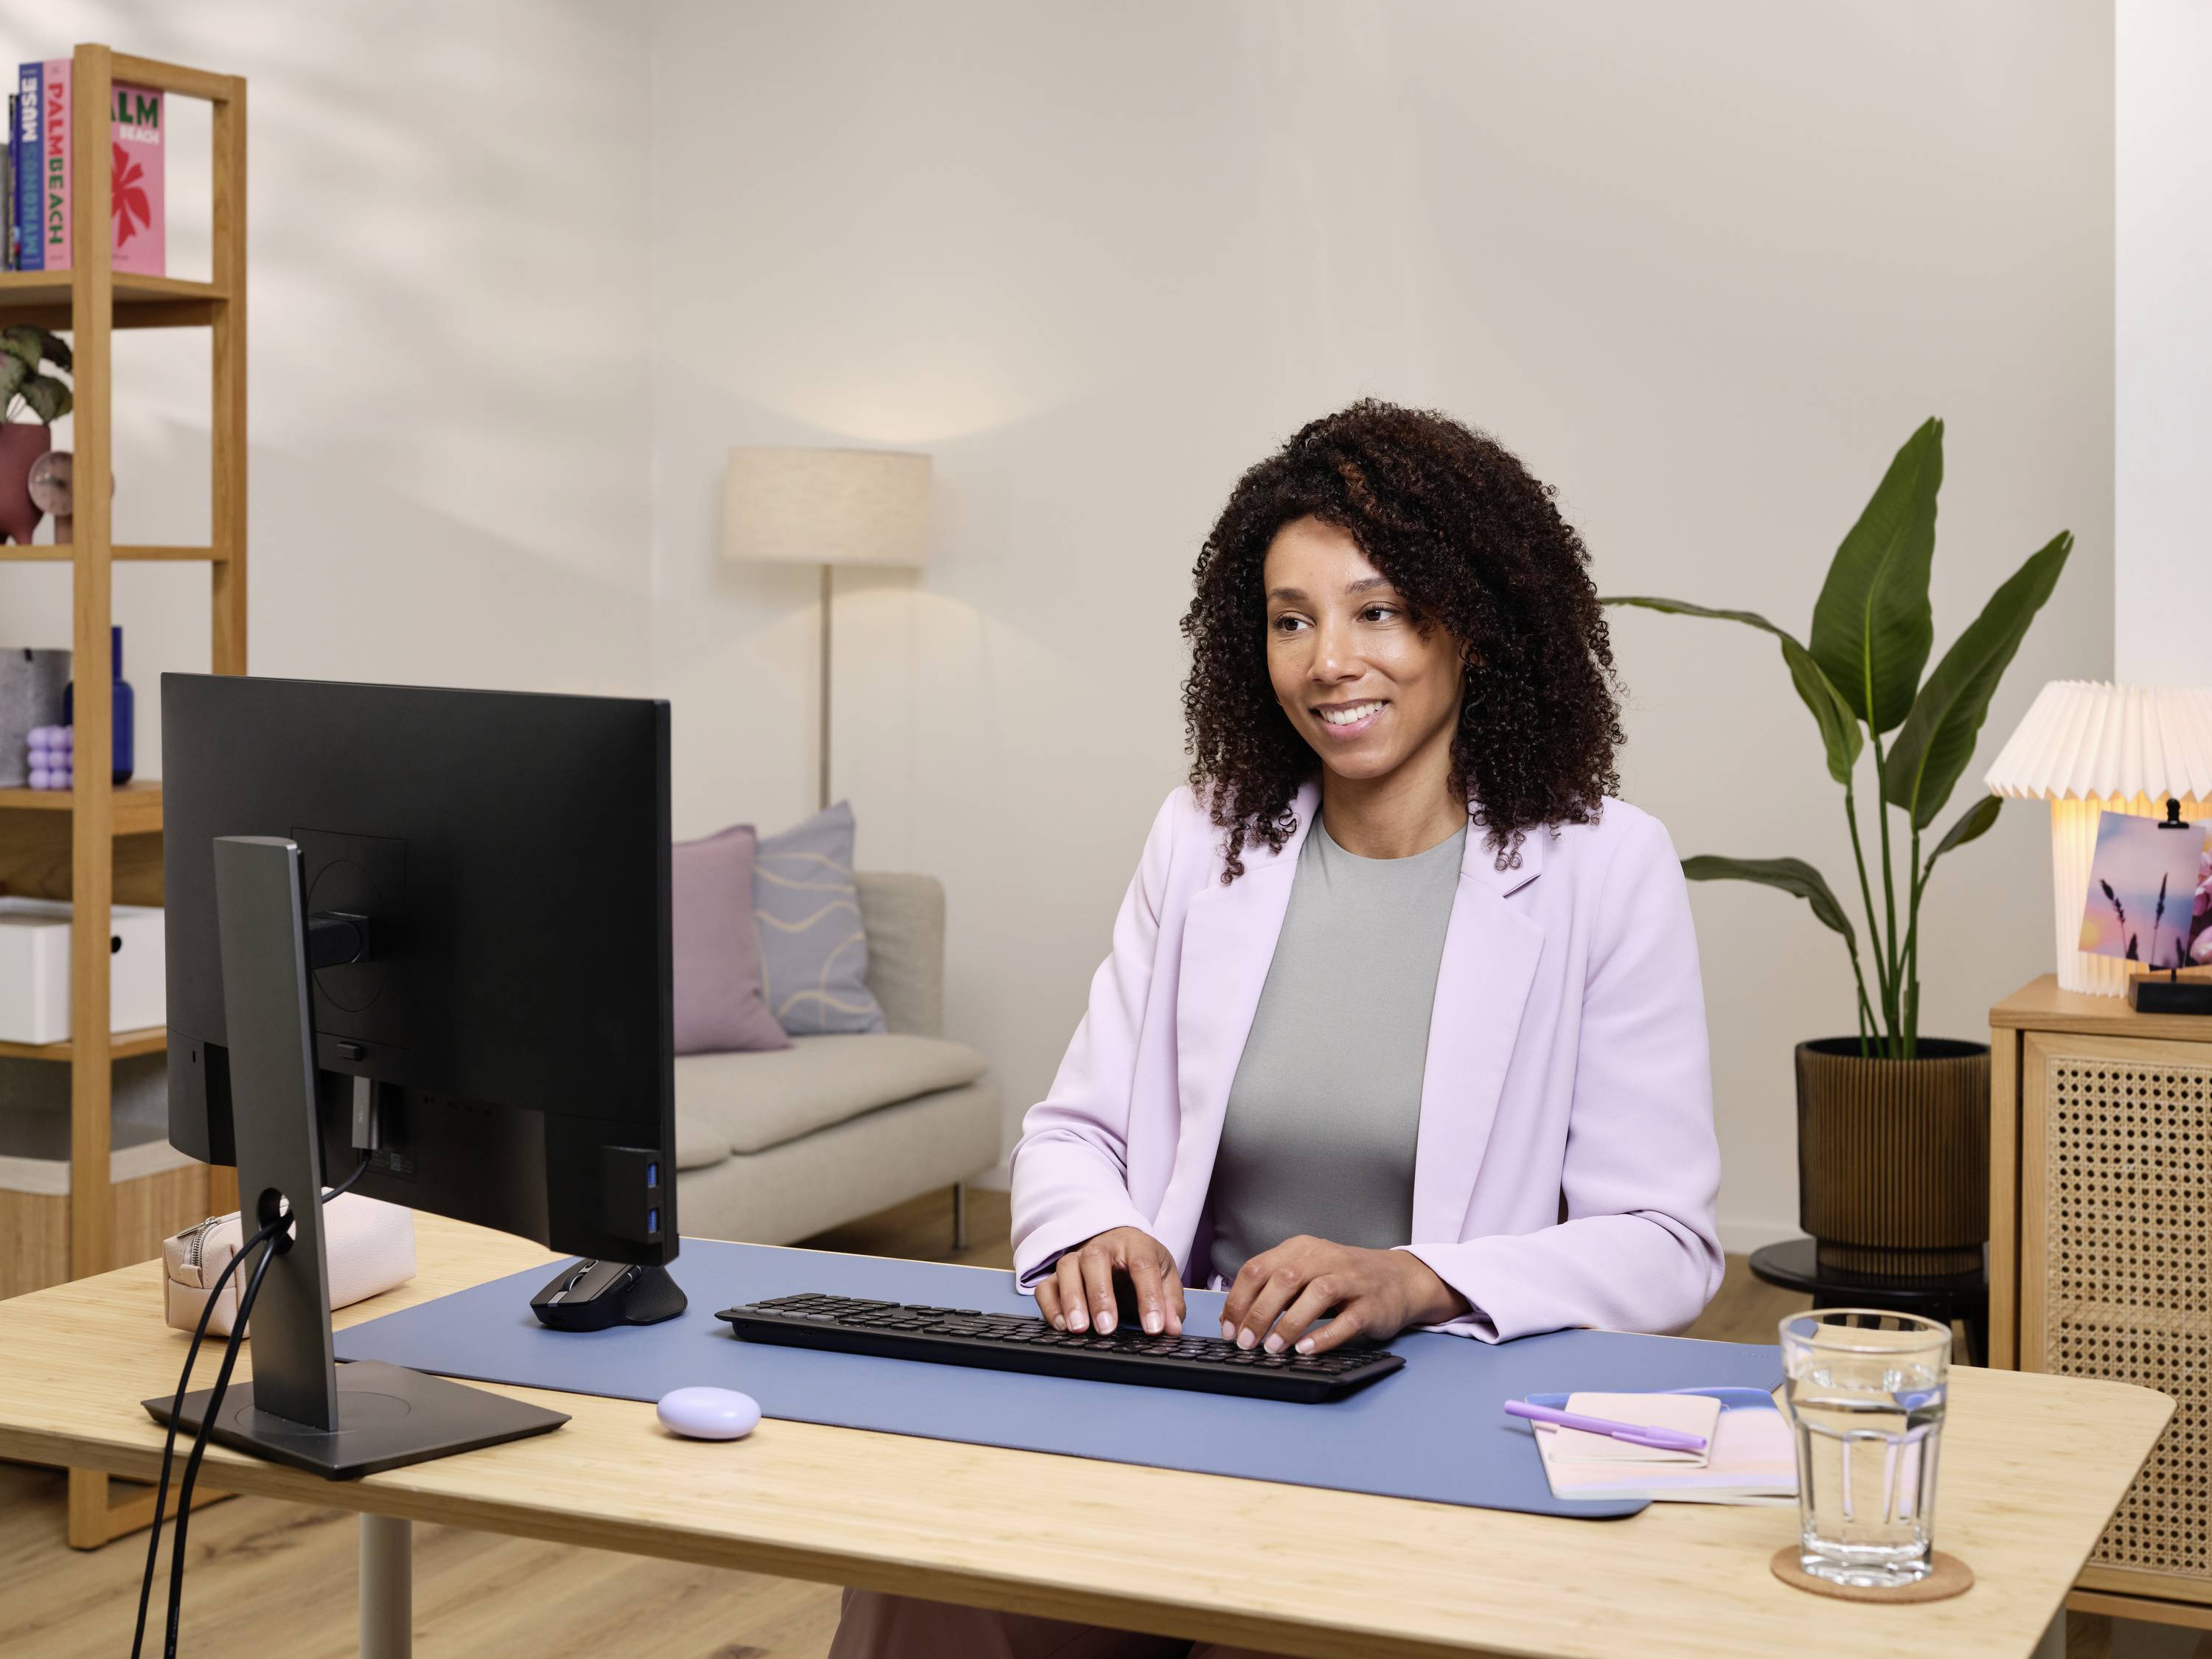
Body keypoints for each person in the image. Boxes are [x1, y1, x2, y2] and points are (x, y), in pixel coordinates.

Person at [829, 400, 1723, 1659]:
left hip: (1421, 1421)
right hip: (1185, 1387)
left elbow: (1666, 1239)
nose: (1327, 661)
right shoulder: (1206, 834)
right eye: (1290, 619)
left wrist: (1419, 1279)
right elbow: (1075, 1126)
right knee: (924, 1567)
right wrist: (1095, 1228)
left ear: (1468, 622)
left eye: (1377, 611)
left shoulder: (1603, 867)